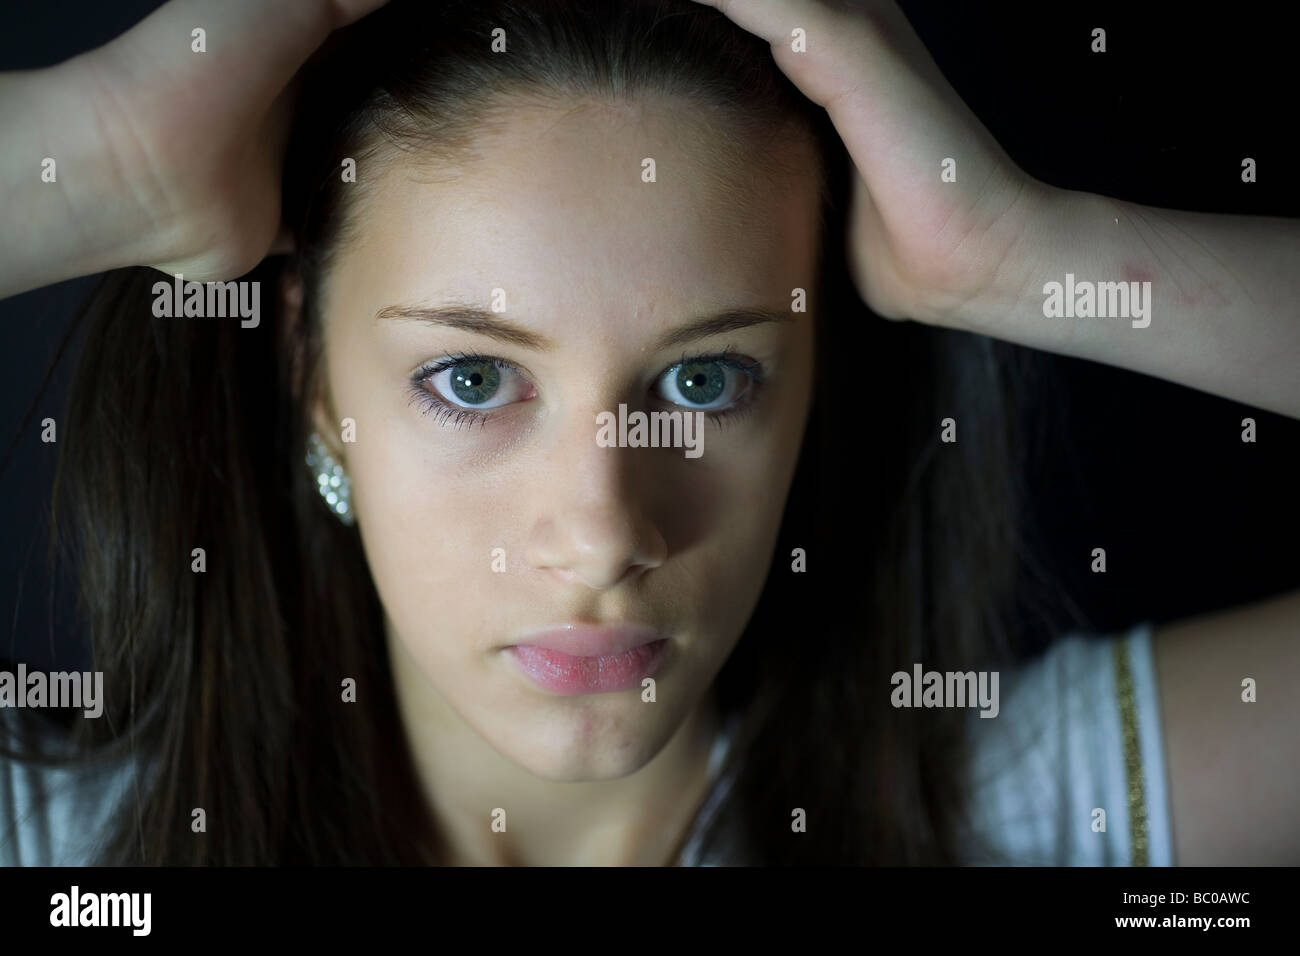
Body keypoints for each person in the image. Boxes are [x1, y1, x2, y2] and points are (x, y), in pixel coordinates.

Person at [0, 0, 1296, 866]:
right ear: (311, 376)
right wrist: (97, 156)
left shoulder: (1011, 814)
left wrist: (1019, 257)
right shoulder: (55, 850)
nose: (604, 536)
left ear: (813, 389)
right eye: (471, 380)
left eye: (704, 383)